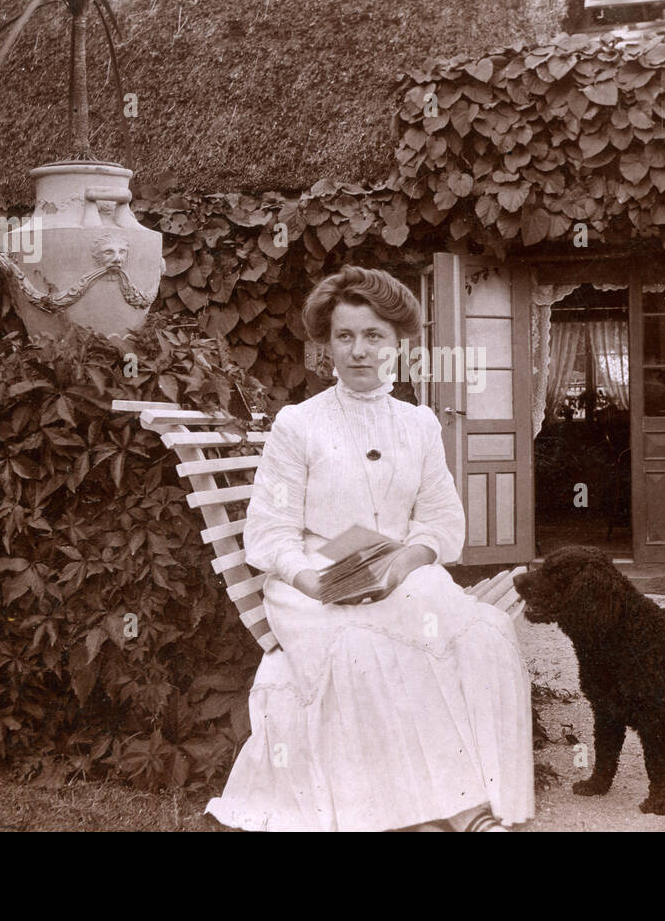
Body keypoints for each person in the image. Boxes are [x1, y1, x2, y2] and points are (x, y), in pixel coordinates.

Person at [205, 266, 534, 831]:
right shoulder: (299, 424)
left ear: (399, 342)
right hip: (312, 582)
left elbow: (440, 522)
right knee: (366, 651)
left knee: (486, 634)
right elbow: (270, 532)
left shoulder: (418, 424)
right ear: (328, 344)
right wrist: (315, 582)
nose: (359, 351)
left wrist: (403, 563)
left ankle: (471, 799)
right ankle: (447, 814)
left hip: (398, 573)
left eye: (374, 336)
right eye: (345, 336)